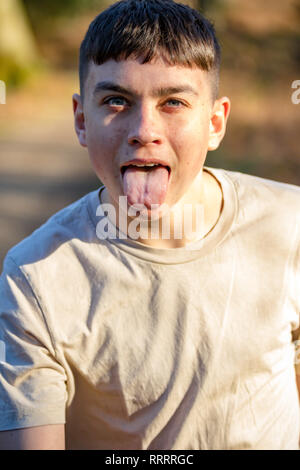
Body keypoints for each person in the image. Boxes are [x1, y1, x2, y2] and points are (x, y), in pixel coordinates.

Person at [0, 0, 299, 450]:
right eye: (117, 101)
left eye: (174, 102)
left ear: (215, 122)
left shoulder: (289, 225)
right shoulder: (33, 278)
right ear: (82, 120)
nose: (145, 129)